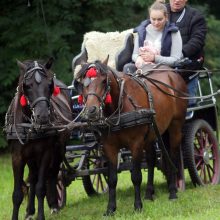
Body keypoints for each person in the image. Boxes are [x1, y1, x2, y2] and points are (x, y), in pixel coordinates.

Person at [167, 0, 207, 106]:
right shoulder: (159, 12)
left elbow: (197, 41)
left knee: (186, 107)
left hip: (187, 68)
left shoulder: (196, 16)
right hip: (162, 65)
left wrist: (180, 54)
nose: (177, 1)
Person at [123, 1, 182, 73]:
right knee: (127, 68)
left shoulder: (174, 32)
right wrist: (139, 59)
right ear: (149, 17)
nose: (156, 23)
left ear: (166, 17)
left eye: (160, 19)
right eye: (153, 19)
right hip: (143, 67)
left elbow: (176, 60)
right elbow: (134, 54)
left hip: (164, 70)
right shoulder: (142, 30)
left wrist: (154, 58)